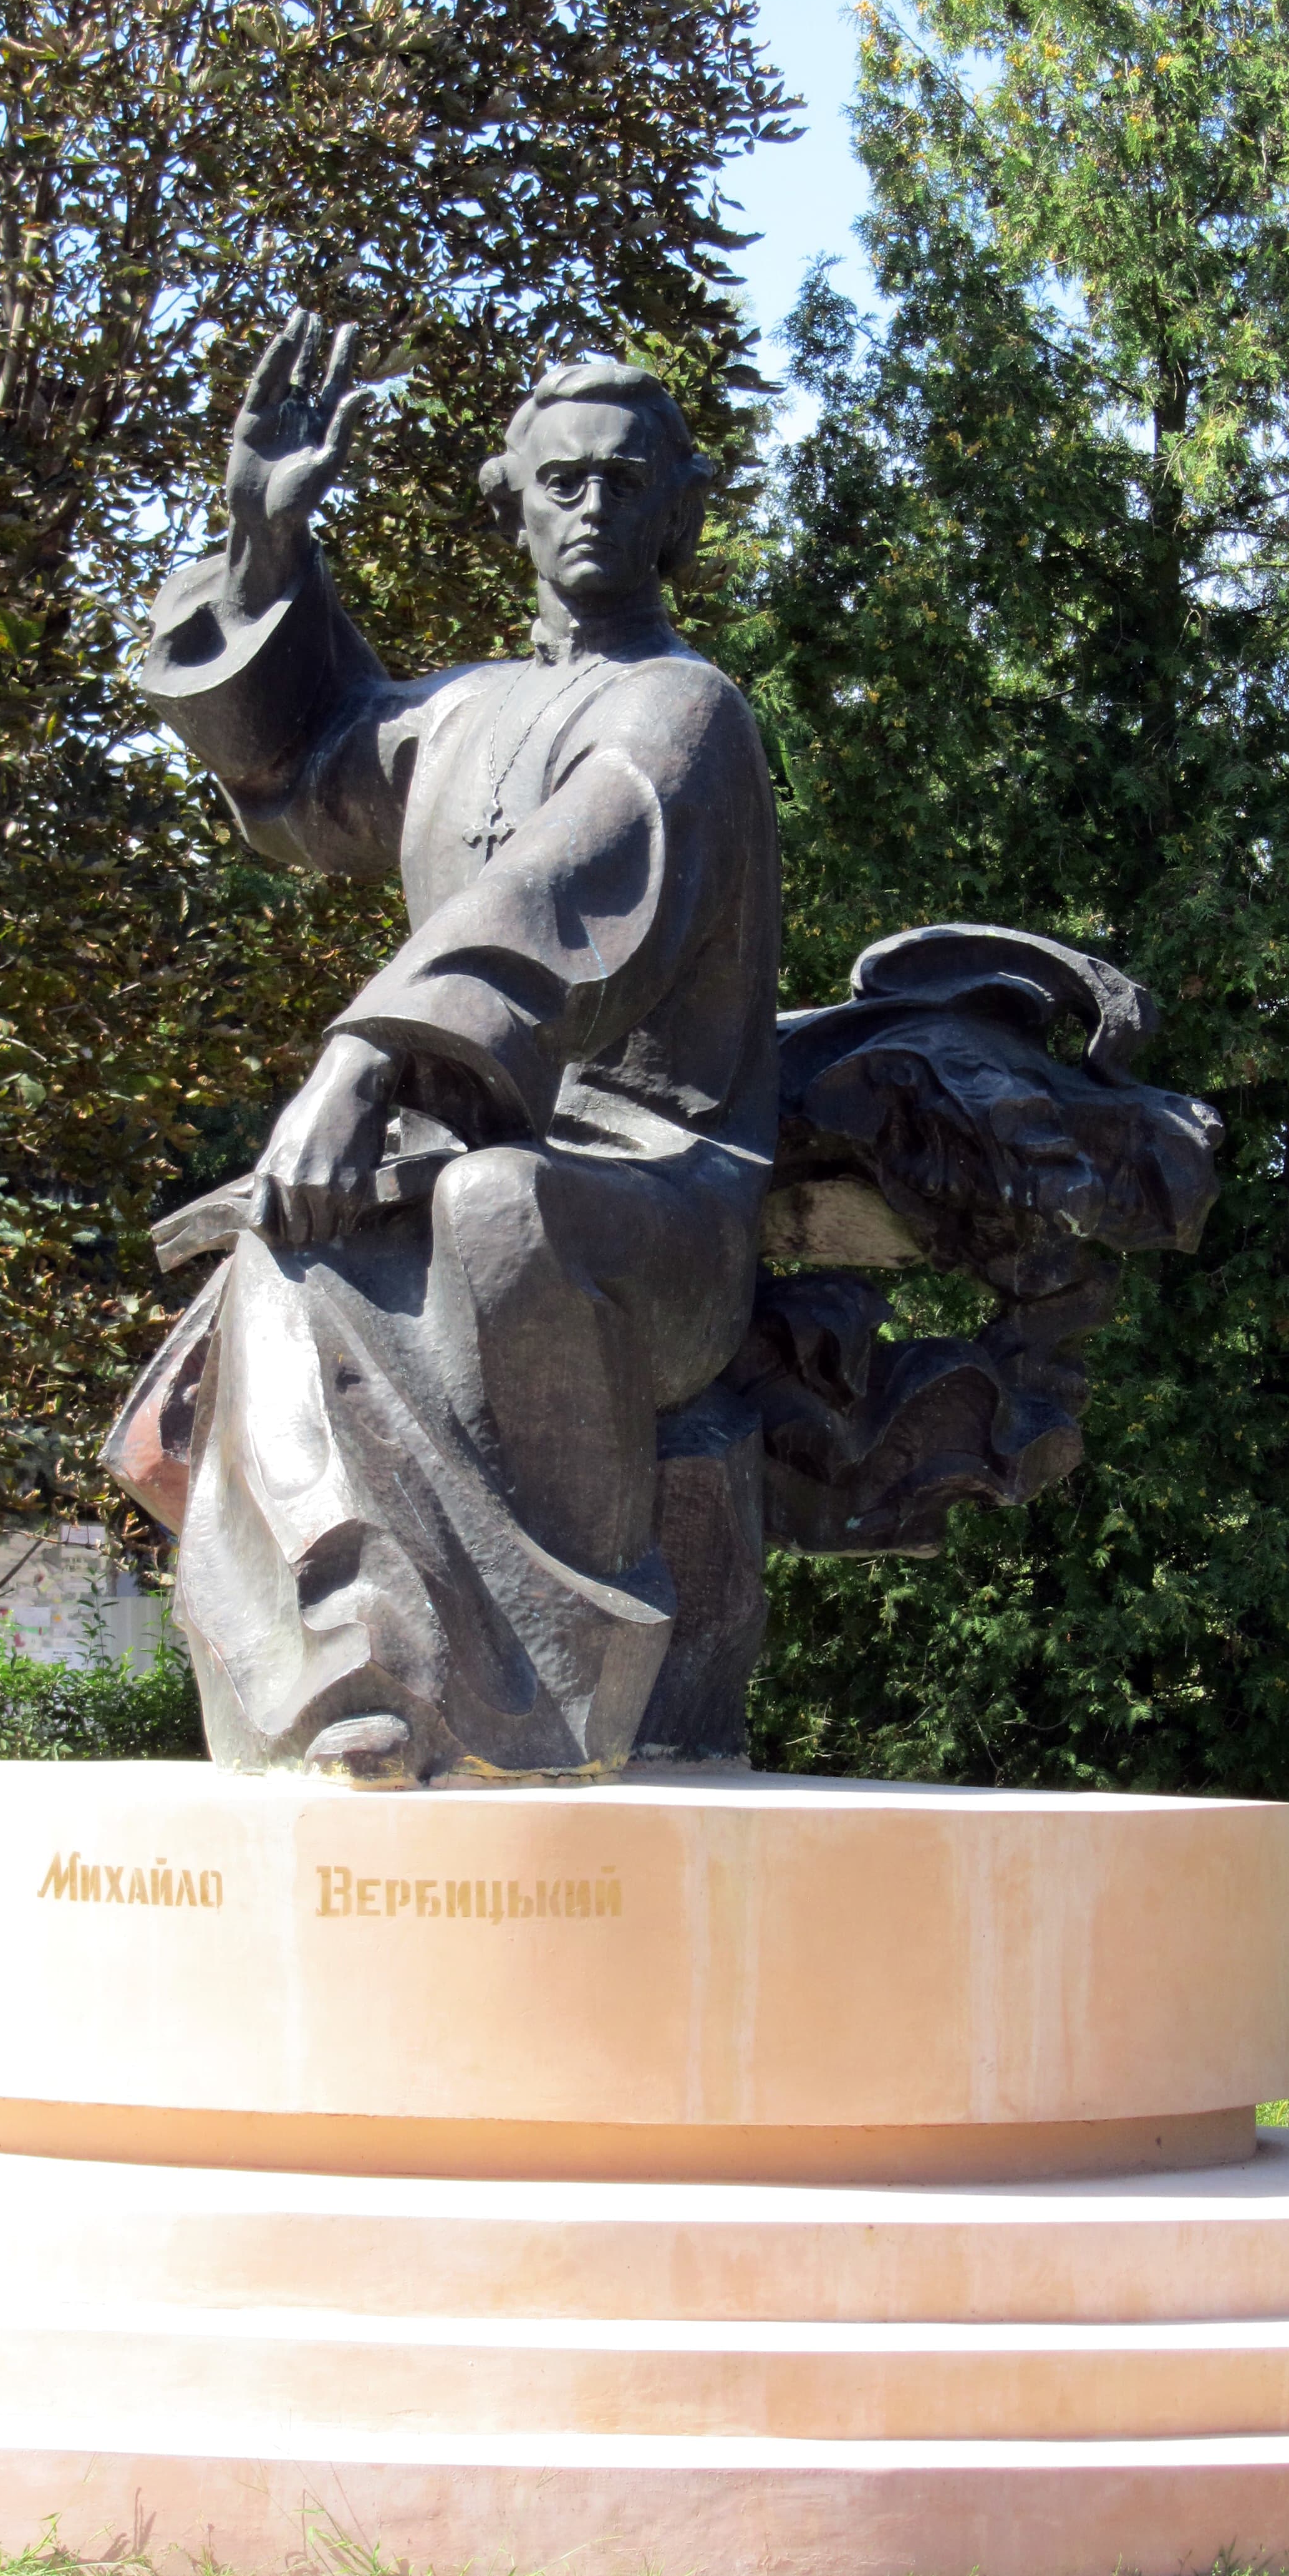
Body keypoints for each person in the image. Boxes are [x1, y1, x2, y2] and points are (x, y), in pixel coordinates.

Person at [137, 312, 780, 1780]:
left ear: (682, 510)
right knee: (295, 1239)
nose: (595, 508)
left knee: (495, 1210)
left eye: (628, 482)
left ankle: (543, 1706)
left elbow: (564, 889)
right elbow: (298, 771)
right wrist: (262, 552)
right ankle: (345, 1677)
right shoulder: (463, 712)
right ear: (513, 502)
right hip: (469, 1156)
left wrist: (366, 1060)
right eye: (563, 481)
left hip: (665, 1197)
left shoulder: (688, 713)